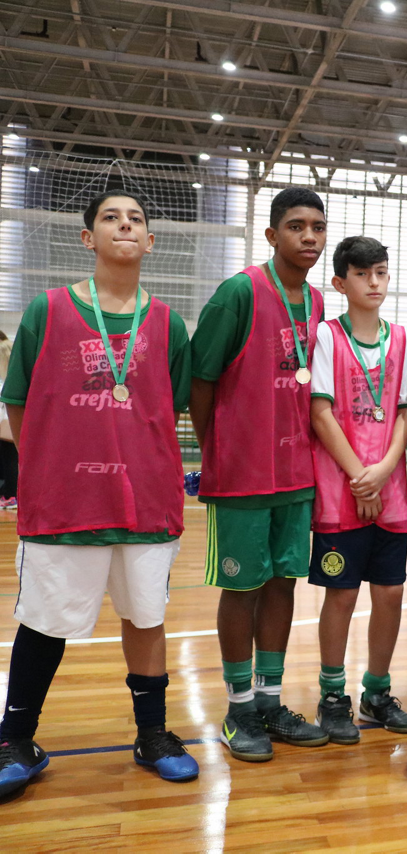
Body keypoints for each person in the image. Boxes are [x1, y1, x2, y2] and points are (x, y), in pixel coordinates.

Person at [0, 190, 198, 797]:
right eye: (111, 218)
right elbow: (18, 400)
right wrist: (47, 469)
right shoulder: (47, 309)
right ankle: (15, 740)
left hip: (145, 500)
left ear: (150, 242)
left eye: (136, 219)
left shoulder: (168, 324)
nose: (124, 226)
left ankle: (153, 735)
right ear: (88, 238)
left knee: (146, 616)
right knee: (44, 621)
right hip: (65, 501)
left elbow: (171, 407)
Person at [190, 186, 330, 761]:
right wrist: (215, 448)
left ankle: (270, 702)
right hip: (242, 475)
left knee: (282, 585)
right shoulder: (240, 292)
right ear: (272, 235)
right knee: (242, 588)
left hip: (296, 474)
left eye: (317, 227)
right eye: (296, 226)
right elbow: (201, 378)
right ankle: (239, 707)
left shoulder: (317, 302)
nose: (309, 237)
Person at [307, 236, 407, 743]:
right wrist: (360, 477)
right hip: (341, 491)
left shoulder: (403, 339)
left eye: (381, 272)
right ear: (340, 282)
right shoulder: (327, 336)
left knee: (391, 593)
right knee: (342, 594)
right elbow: (320, 413)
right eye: (362, 273)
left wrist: (387, 467)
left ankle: (377, 691)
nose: (374, 282)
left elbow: (405, 412)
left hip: (389, 489)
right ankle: (333, 695)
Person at [0, 329, 15, 507]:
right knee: (10, 457)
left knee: (10, 458)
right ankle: (10, 494)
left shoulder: (5, 381)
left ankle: (11, 496)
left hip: (7, 423)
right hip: (9, 422)